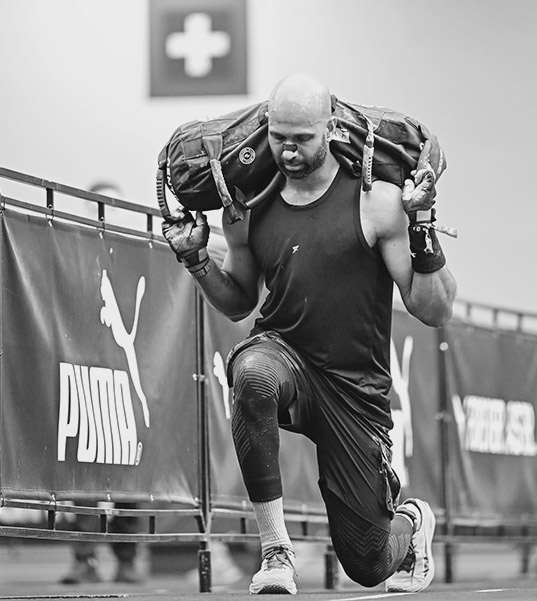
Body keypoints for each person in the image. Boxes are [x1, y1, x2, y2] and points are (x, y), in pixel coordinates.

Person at [162, 72, 457, 594]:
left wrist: (422, 225)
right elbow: (240, 301)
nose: (288, 151)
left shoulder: (376, 202)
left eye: (302, 138)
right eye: (278, 137)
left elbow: (433, 309)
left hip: (353, 387)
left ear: (332, 128)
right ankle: (275, 551)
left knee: (367, 564)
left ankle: (411, 522)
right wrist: (196, 260)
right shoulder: (248, 206)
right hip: (285, 357)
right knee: (252, 374)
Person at [60, 181, 143, 586]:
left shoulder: (136, 258)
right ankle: (84, 558)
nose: (104, 212)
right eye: (97, 205)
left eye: (111, 205)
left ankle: (127, 559)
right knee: (81, 475)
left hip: (127, 378)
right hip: (85, 375)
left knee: (132, 474)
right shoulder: (72, 254)